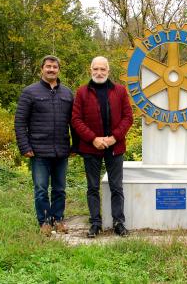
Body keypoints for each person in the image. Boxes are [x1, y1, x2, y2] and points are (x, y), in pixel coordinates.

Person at [72, 56, 133, 238]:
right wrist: (93, 139)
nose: (99, 72)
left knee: (116, 187)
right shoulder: (82, 92)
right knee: (92, 187)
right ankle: (95, 223)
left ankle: (118, 223)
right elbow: (76, 119)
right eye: (95, 69)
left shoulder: (120, 91)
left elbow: (128, 117)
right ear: (90, 70)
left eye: (102, 69)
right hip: (91, 148)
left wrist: (115, 137)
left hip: (115, 147)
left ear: (108, 71)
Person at [15, 55, 75, 236]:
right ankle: (44, 222)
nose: (51, 70)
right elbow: (20, 122)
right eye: (48, 66)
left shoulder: (67, 93)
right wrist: (24, 147)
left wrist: (75, 146)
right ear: (41, 69)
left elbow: (74, 122)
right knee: (41, 189)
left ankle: (58, 220)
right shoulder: (30, 92)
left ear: (59, 70)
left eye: (54, 67)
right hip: (39, 151)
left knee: (60, 189)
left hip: (61, 150)